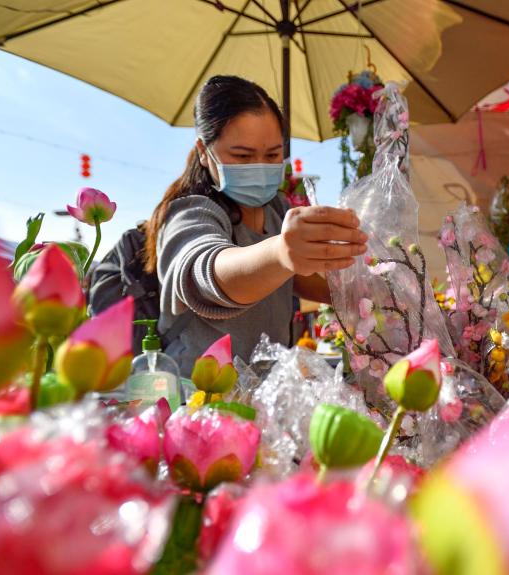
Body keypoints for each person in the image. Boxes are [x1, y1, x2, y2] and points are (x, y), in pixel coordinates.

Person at [143, 75, 367, 373]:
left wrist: (368, 286)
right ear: (203, 152)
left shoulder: (277, 211)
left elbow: (304, 279)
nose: (259, 166)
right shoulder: (191, 211)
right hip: (202, 401)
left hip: (267, 399)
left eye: (273, 154)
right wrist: (280, 252)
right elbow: (204, 272)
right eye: (242, 156)